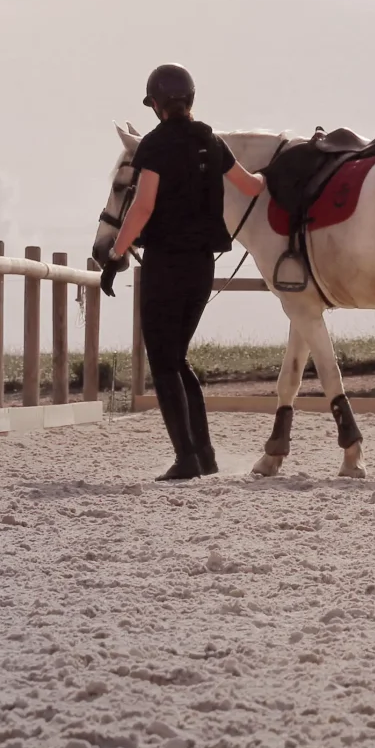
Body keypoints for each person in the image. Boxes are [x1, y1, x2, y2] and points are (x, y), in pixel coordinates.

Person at [106, 64, 265, 481]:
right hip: (201, 268)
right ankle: (205, 455)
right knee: (179, 359)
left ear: (156, 105)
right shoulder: (211, 140)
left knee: (163, 362)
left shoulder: (154, 146)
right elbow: (250, 187)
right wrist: (276, 172)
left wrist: (115, 256)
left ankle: (186, 458)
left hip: (164, 264)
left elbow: (142, 207)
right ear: (190, 100)